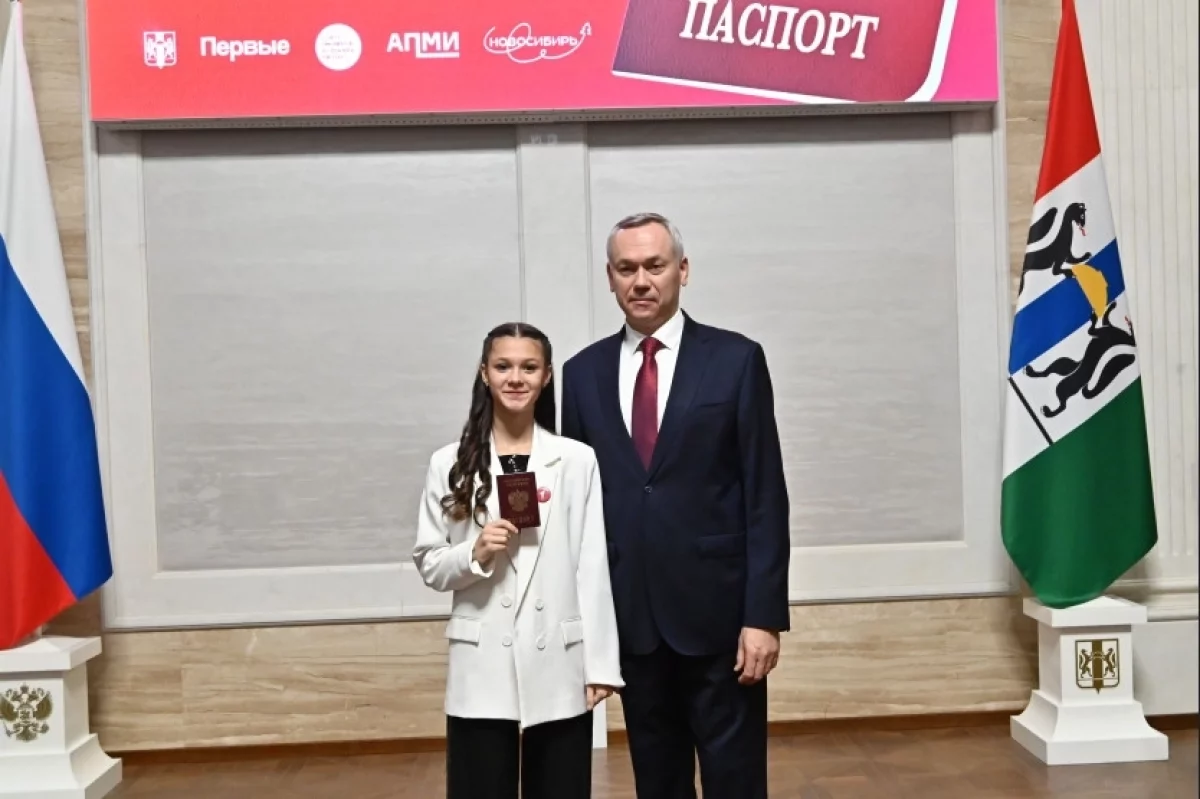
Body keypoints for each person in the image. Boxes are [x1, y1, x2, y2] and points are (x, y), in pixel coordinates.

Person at [560, 213, 791, 799]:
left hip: (721, 620)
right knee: (656, 780)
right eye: (626, 268)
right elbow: (576, 512)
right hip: (632, 620)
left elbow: (764, 494)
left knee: (735, 781)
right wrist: (585, 627)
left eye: (654, 266)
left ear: (682, 271)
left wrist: (763, 616)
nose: (641, 280)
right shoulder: (581, 374)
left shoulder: (736, 359)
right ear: (609, 278)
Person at [413, 322, 623, 799]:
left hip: (559, 659)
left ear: (546, 376)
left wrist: (600, 665)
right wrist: (474, 552)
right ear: (484, 373)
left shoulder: (576, 461)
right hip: (481, 661)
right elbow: (430, 563)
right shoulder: (450, 463)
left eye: (529, 367)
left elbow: (591, 565)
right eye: (503, 366)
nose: (515, 378)